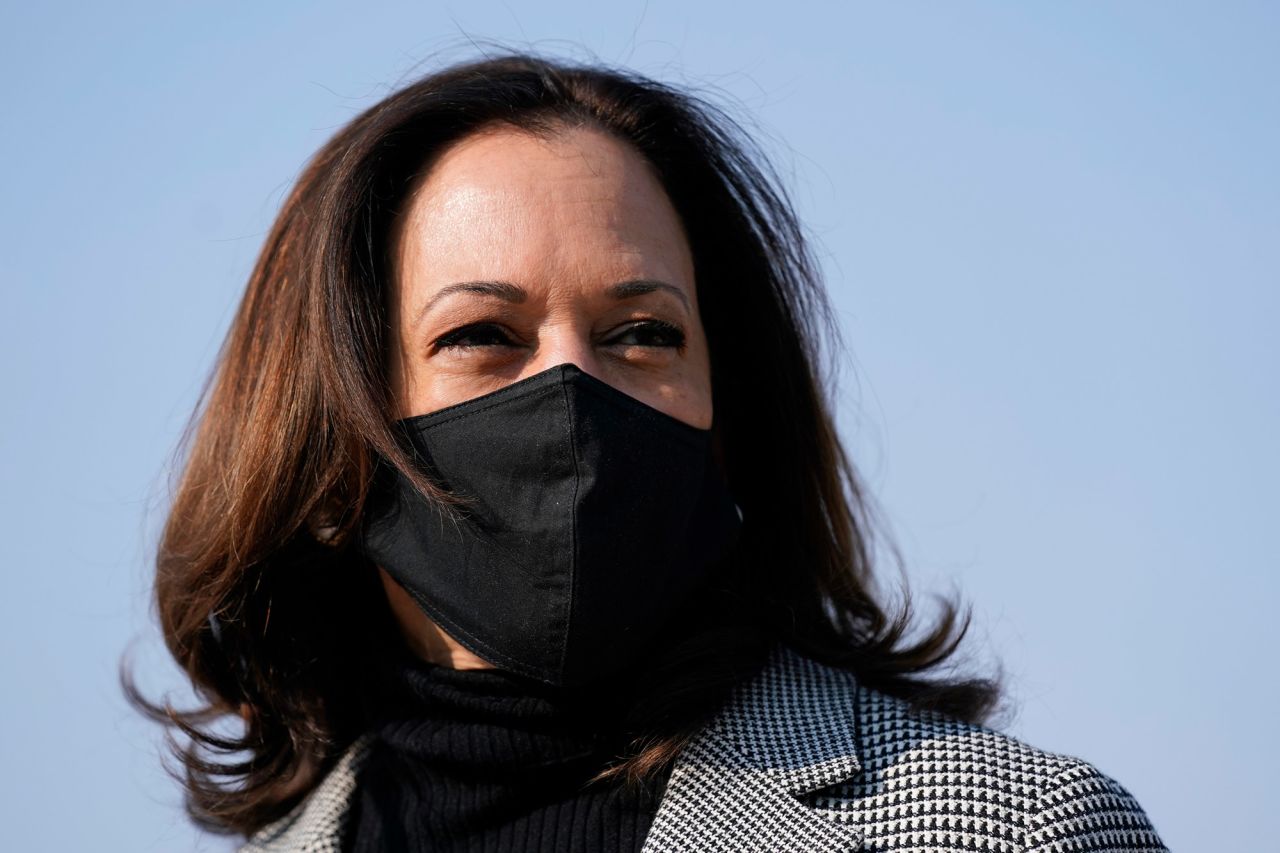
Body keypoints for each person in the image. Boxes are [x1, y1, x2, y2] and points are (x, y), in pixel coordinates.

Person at [127, 52, 1168, 852]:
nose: (572, 389)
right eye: (482, 336)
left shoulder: (1019, 828)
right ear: (325, 450)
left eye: (641, 334)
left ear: (730, 409)